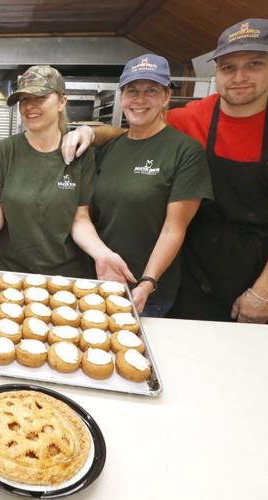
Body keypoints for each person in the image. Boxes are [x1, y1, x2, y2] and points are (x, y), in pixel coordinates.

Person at [66, 19, 268, 324]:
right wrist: (92, 134)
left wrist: (264, 291)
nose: (239, 77)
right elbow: (135, 135)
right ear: (216, 71)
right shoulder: (190, 118)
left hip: (259, 268)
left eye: (254, 64)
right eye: (228, 68)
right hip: (193, 271)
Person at [0, 65, 131, 281]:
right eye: (24, 99)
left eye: (40, 97)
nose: (30, 106)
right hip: (12, 274)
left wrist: (102, 253)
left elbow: (80, 219)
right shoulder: (5, 151)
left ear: (62, 102)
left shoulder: (81, 154)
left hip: (67, 275)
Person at [91, 54, 213, 317]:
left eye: (151, 91)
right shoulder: (111, 147)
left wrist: (148, 281)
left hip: (146, 291)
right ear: (123, 96)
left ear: (166, 97)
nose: (140, 99)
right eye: (132, 91)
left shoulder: (184, 151)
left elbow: (174, 228)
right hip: (101, 279)